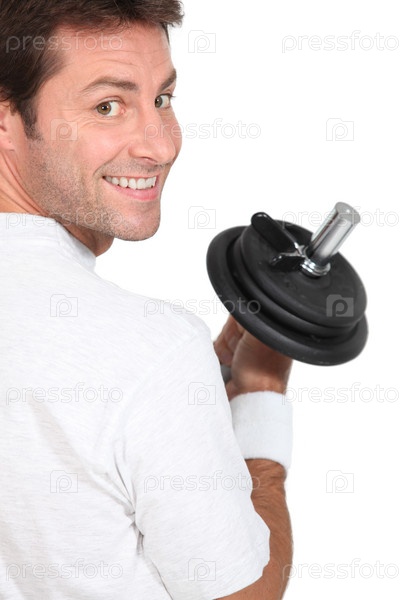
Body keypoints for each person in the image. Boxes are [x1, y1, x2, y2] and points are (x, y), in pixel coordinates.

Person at [0, 1, 293, 598]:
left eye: (162, 99)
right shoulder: (155, 350)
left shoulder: (153, 363)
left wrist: (206, 382)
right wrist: (259, 399)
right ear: (7, 121)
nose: (160, 146)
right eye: (107, 106)